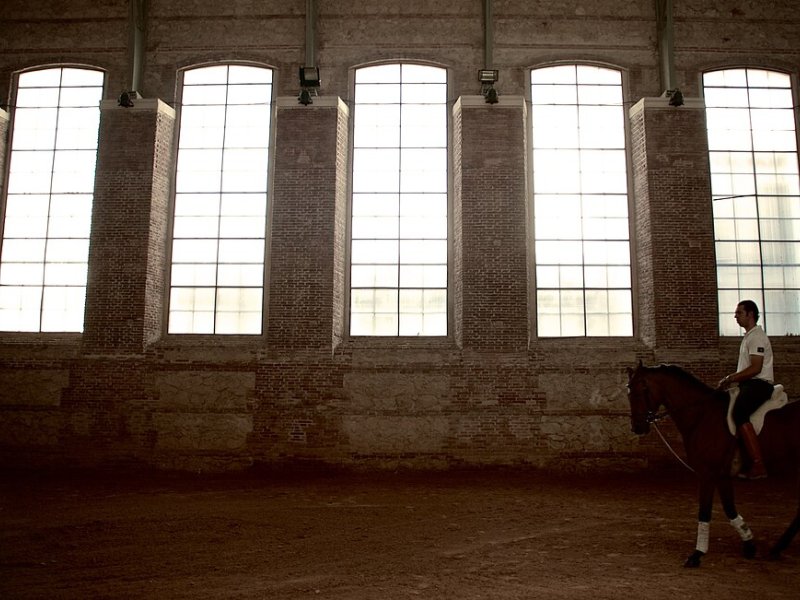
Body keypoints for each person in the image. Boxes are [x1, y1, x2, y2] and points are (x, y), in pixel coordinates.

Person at [718, 300, 773, 479]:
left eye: (739, 313)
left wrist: (730, 378)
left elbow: (756, 368)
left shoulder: (756, 337)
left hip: (759, 385)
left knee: (739, 413)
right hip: (748, 384)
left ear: (750, 314)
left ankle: (758, 465)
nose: (735, 316)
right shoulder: (749, 336)